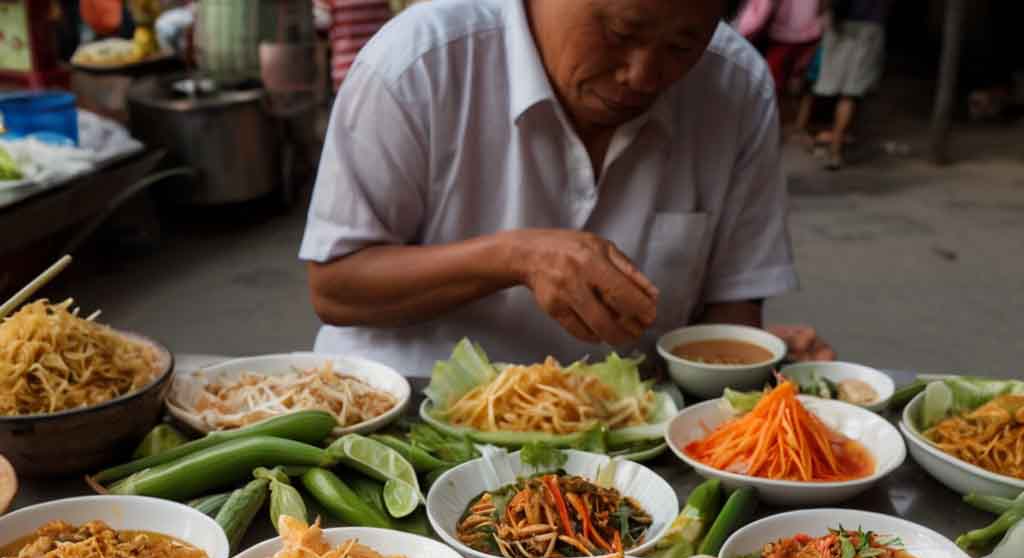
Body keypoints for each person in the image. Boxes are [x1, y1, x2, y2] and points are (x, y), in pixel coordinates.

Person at [301, 0, 832, 374]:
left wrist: (748, 356)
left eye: (682, 44)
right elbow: (335, 287)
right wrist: (513, 256)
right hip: (408, 420)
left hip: (626, 437)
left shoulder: (735, 87)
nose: (643, 75)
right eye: (622, 32)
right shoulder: (420, 63)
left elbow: (733, 307)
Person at [813, 0, 892, 170]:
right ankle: (836, 147)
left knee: (835, 88)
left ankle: (835, 142)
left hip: (841, 24)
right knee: (851, 92)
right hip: (868, 26)